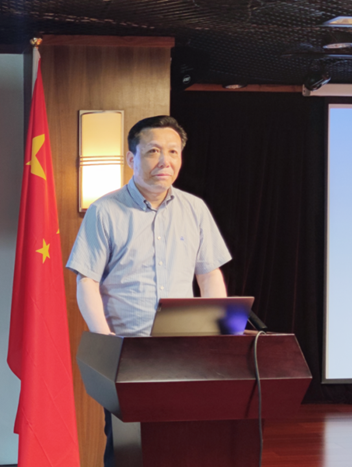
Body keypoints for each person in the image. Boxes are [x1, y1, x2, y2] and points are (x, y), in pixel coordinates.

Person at [65, 115, 231, 466]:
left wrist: (222, 334)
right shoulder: (105, 210)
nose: (165, 161)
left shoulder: (195, 209)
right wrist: (106, 341)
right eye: (154, 151)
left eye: (173, 151)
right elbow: (86, 281)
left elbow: (209, 275)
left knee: (182, 444)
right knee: (128, 448)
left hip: (185, 350)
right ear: (132, 157)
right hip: (128, 351)